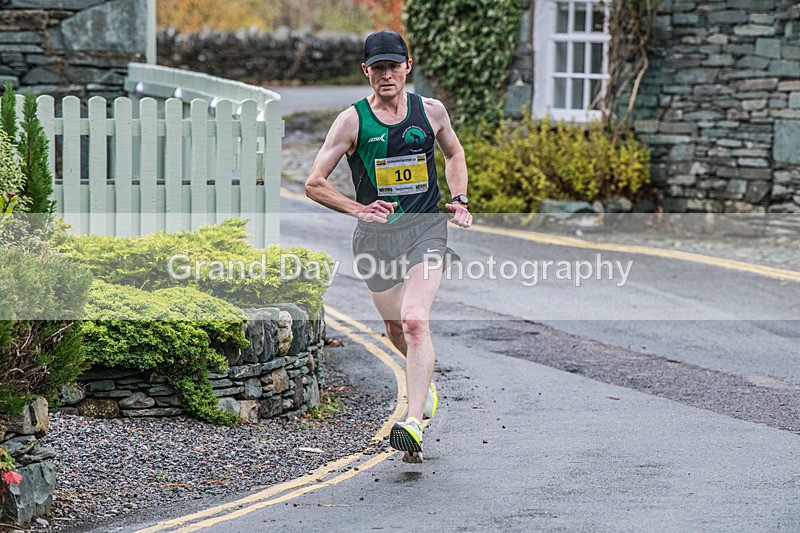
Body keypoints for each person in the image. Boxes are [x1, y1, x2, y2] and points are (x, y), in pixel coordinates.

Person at [305, 29, 471, 463]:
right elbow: (314, 183)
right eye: (377, 68)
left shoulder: (431, 112)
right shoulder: (352, 121)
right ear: (366, 71)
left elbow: (454, 154)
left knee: (415, 320)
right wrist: (358, 209)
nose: (386, 75)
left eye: (393, 66)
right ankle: (424, 383)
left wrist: (459, 198)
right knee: (396, 329)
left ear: (407, 67)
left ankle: (413, 422)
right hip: (376, 238)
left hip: (426, 229)